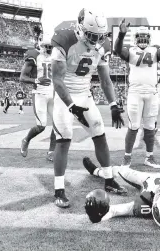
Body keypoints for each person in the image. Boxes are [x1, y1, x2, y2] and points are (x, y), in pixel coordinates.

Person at [50, 9, 127, 208]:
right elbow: (57, 80)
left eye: (99, 37)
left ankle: (109, 180)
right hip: (64, 96)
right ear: (81, 28)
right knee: (64, 139)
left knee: (100, 134)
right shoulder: (65, 39)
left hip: (85, 95)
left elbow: (105, 79)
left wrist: (113, 105)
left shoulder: (103, 44)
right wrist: (71, 106)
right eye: (92, 36)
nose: (95, 41)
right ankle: (59, 189)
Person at [114, 19, 160, 168]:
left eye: (145, 37)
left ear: (149, 39)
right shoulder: (130, 51)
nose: (142, 40)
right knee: (133, 126)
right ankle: (127, 157)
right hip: (135, 92)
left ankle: (149, 157)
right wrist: (122, 35)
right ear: (136, 38)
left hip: (151, 92)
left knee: (150, 127)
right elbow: (118, 50)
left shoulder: (154, 51)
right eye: (140, 37)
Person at [19, 32, 56, 161]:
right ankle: (26, 139)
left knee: (57, 124)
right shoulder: (34, 55)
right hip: (40, 93)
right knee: (41, 126)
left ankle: (51, 151)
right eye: (47, 46)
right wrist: (36, 81)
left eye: (51, 47)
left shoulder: (56, 55)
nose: (50, 49)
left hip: (53, 93)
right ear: (41, 45)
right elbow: (22, 77)